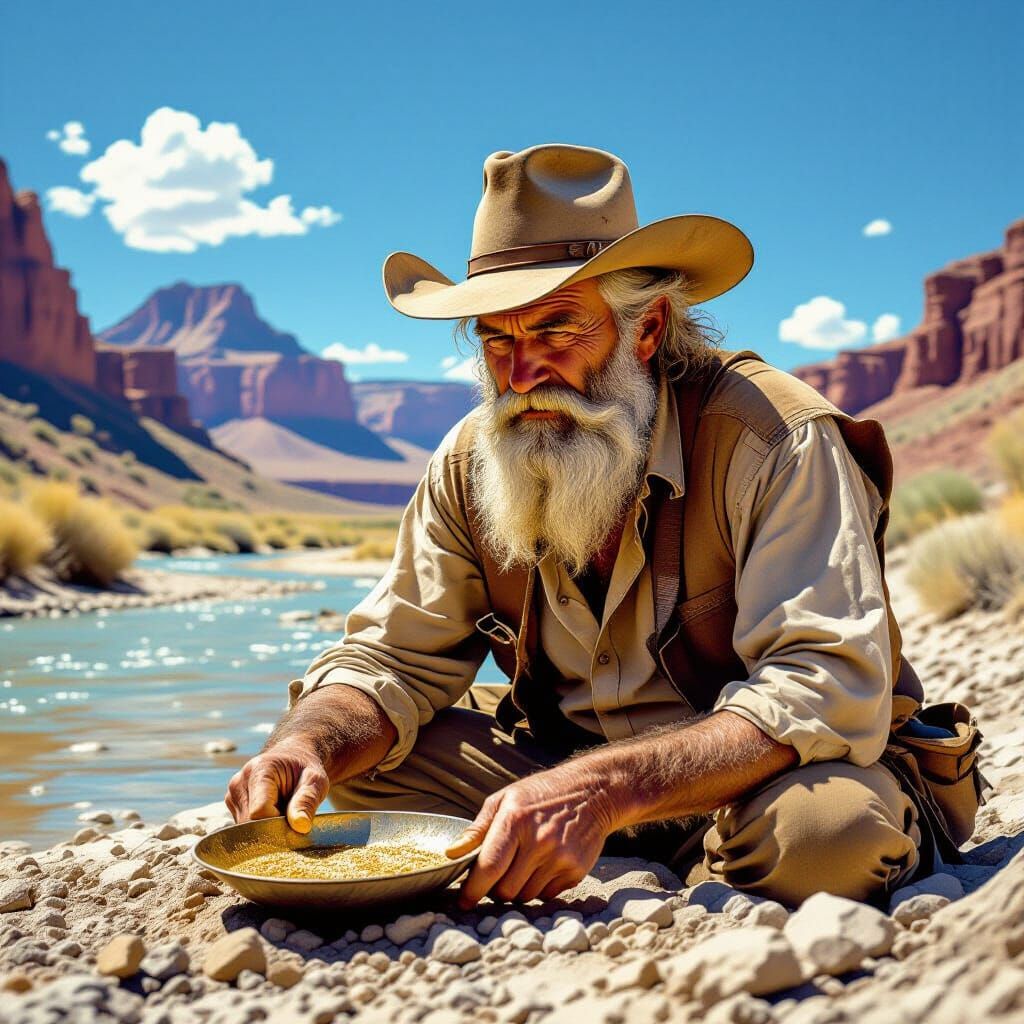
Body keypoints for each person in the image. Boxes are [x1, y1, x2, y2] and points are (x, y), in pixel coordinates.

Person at [226, 143, 931, 909]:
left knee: (828, 839)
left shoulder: (774, 438)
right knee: (360, 764)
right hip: (558, 773)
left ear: (649, 328)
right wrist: (308, 742)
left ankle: (660, 857)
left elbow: (824, 684)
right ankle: (584, 844)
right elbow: (391, 656)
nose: (523, 374)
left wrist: (602, 789)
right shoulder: (470, 462)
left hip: (749, 782)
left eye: (557, 329)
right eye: (498, 338)